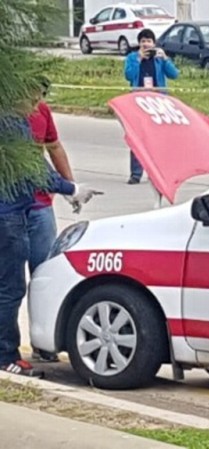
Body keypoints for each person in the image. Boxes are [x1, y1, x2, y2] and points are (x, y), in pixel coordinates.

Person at [0, 114, 99, 377]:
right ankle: (6, 355)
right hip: (8, 215)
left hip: (13, 212)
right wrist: (71, 188)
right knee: (10, 288)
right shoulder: (12, 122)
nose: (36, 105)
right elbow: (34, 169)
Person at [26, 80, 76, 362]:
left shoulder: (42, 112)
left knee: (43, 275)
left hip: (41, 205)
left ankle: (42, 342)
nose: (37, 100)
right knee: (8, 283)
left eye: (41, 94)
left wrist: (70, 186)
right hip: (9, 209)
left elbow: (54, 147)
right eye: (33, 93)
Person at [123, 28, 179, 185]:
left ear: (154, 43)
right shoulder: (132, 57)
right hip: (138, 102)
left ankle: (156, 172)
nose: (146, 44)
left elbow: (174, 74)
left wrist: (166, 59)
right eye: (143, 42)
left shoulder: (159, 59)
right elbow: (129, 75)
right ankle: (136, 173)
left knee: (157, 139)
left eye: (148, 41)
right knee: (137, 137)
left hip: (157, 103)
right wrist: (138, 59)